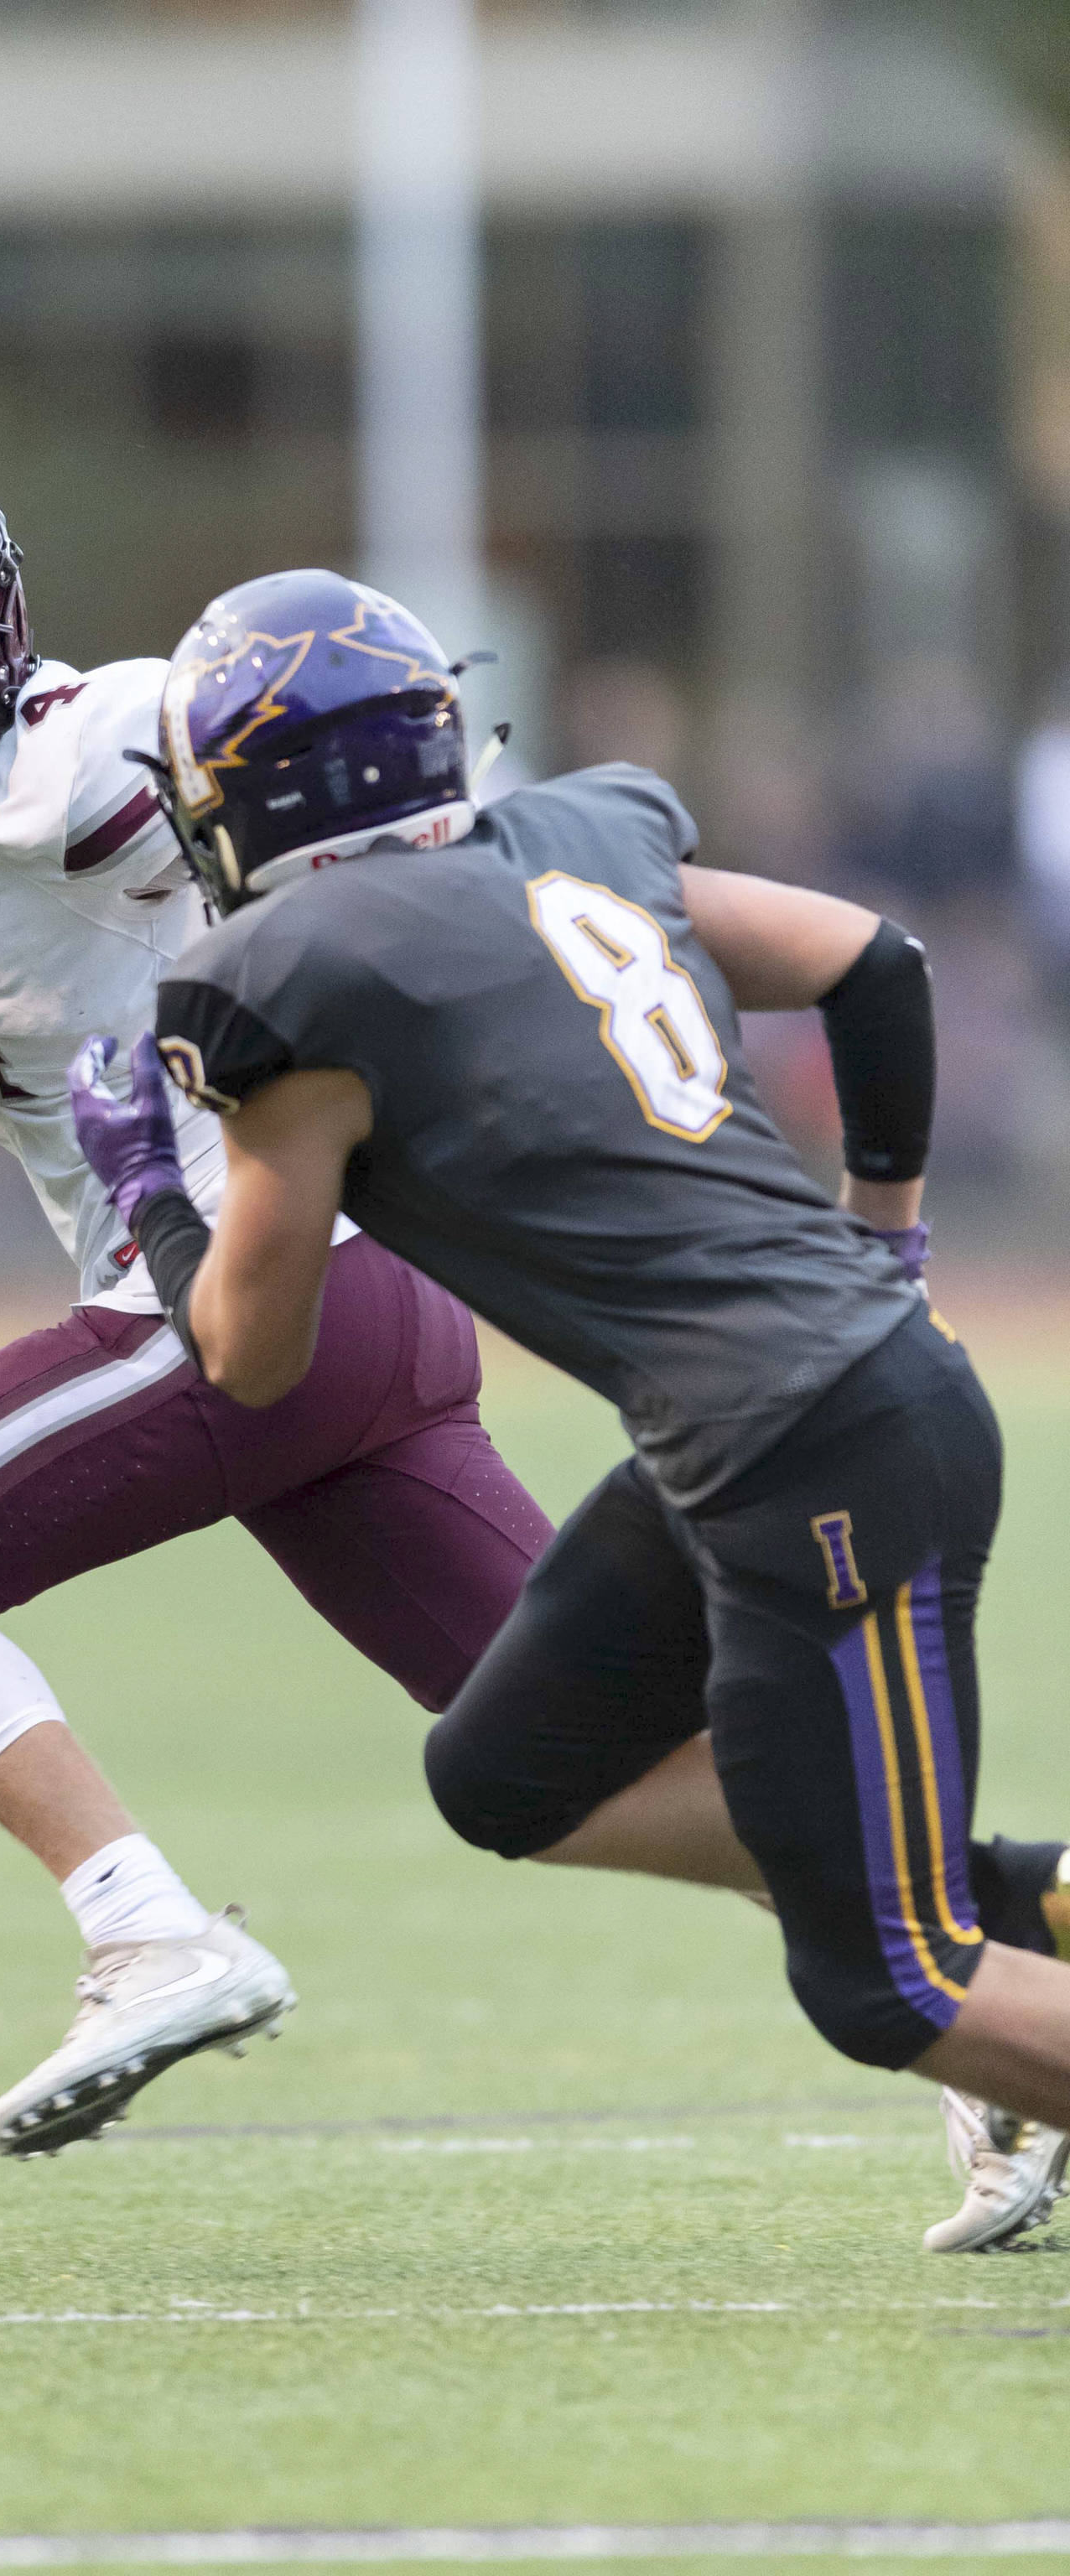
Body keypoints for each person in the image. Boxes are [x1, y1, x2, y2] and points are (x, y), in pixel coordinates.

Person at [69, 564, 1070, 2251]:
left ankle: (973, 1958)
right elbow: (872, 964)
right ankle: (1005, 1902)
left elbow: (248, 1353)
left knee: (885, 1988)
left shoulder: (286, 974)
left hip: (804, 1449)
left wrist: (142, 1196)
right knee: (508, 1768)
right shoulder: (580, 837)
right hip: (793, 1423)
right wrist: (884, 1246)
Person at [0, 446, 559, 2158]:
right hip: (344, 1331)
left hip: (259, 1285)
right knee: (579, 1746)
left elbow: (405, 838)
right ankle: (980, 1989)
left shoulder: (127, 747)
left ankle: (146, 1928)